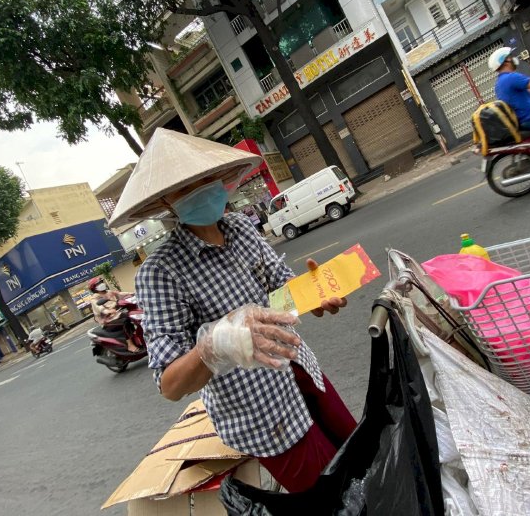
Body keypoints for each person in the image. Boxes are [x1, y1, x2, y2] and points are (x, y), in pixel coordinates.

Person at [108, 129, 357, 493]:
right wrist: (215, 344)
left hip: (304, 373)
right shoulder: (160, 273)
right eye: (185, 186)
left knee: (362, 456)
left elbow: (281, 290)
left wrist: (317, 295)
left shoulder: (241, 227)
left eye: (207, 177)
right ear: (167, 203)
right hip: (265, 416)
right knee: (334, 499)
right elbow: (170, 384)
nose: (203, 187)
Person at [89, 277, 139, 353]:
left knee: (134, 314)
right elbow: (99, 307)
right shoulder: (94, 299)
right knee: (125, 319)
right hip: (107, 321)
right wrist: (107, 311)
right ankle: (130, 345)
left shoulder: (109, 292)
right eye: (98, 284)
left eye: (101, 282)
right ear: (94, 288)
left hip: (117, 315)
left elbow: (120, 294)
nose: (102, 284)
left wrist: (133, 293)